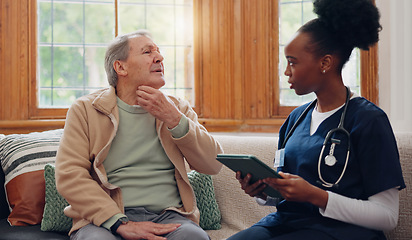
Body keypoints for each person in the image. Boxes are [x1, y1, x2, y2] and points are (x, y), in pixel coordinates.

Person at [228, 0, 405, 239]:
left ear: (325, 63)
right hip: (285, 223)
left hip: (342, 231)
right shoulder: (295, 119)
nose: (286, 72)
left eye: (292, 61)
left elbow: (387, 216)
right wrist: (261, 192)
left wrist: (316, 196)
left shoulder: (369, 120)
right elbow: (282, 195)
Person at [55, 30, 223, 240]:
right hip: (105, 220)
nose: (159, 57)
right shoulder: (85, 110)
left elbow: (213, 164)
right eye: (147, 52)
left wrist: (175, 119)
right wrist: (118, 222)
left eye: (159, 52)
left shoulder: (178, 108)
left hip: (169, 217)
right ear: (120, 67)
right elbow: (69, 175)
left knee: (193, 238)